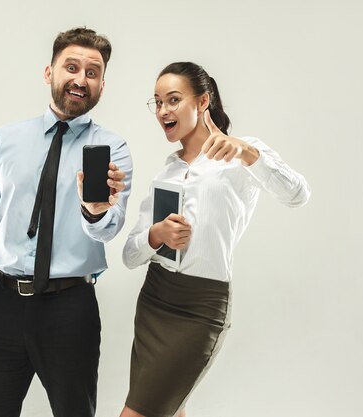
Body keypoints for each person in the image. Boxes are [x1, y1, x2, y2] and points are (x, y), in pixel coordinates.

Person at [0, 27, 132, 417]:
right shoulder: (3, 140)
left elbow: (110, 227)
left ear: (102, 86)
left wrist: (95, 209)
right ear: (49, 73)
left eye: (93, 72)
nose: (81, 79)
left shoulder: (112, 148)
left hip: (71, 308)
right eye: (72, 67)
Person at [119, 62, 311, 417]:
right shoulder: (168, 170)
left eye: (173, 99)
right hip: (155, 300)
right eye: (157, 102)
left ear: (203, 101)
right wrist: (155, 234)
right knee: (172, 410)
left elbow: (298, 195)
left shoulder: (242, 152)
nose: (163, 111)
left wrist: (249, 155)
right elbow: (130, 255)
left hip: (201, 308)